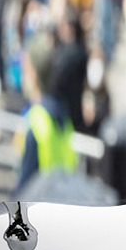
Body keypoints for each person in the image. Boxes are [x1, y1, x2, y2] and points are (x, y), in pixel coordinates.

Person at [15, 30, 77, 193]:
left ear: (32, 73)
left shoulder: (35, 122)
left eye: (23, 68)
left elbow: (24, 186)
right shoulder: (62, 111)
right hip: (63, 198)